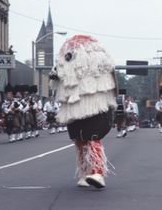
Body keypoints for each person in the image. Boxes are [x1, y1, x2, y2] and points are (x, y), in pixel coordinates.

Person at [49, 35, 117, 189]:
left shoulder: (99, 63)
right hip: (74, 112)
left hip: (95, 111)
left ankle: (98, 172)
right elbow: (58, 81)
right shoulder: (64, 66)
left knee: (93, 140)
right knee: (80, 142)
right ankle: (85, 173)